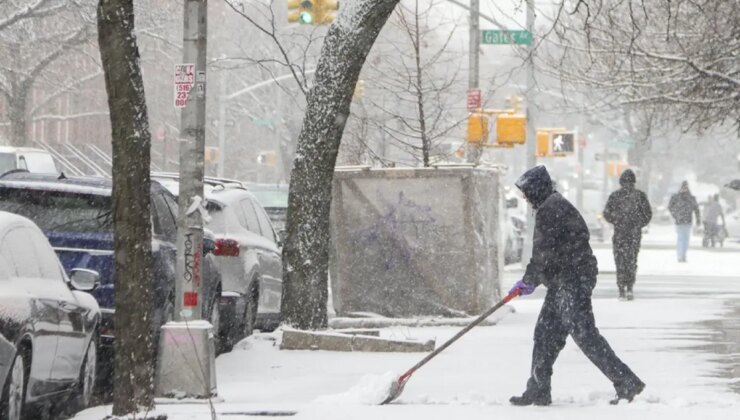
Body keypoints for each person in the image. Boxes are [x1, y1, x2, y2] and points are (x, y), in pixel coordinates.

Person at [508, 165, 645, 406]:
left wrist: (529, 280)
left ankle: (627, 382)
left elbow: (544, 255)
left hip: (572, 280)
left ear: (536, 188)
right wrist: (533, 278)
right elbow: (550, 253)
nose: (525, 197)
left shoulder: (550, 209)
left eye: (526, 191)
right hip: (566, 279)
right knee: (545, 334)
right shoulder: (553, 204)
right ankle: (538, 388)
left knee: (585, 335)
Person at [603, 169, 652, 301]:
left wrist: (617, 221)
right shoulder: (640, 196)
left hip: (620, 233)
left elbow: (607, 213)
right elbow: (648, 214)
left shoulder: (615, 196)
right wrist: (638, 223)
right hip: (634, 234)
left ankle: (621, 289)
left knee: (620, 261)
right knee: (631, 260)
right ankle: (629, 287)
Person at [668, 181, 700, 262]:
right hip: (683, 221)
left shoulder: (677, 197)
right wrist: (674, 215)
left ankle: (682, 255)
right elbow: (696, 209)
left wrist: (674, 215)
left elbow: (696, 210)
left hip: (683, 221)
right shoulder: (690, 198)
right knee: (682, 239)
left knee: (683, 239)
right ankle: (681, 256)